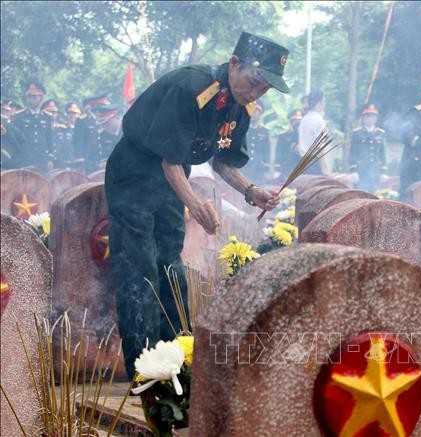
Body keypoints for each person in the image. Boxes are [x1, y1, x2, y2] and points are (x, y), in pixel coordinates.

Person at [105, 31, 288, 376]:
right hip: (134, 173)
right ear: (234, 63)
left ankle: (178, 364)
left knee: (171, 265)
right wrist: (197, 204)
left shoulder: (241, 107)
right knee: (139, 271)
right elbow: (168, 162)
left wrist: (252, 192)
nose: (256, 92)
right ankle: (144, 375)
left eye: (265, 88)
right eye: (253, 82)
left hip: (173, 177)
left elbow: (222, 161)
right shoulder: (192, 87)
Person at [12, 80, 53, 172]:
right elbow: (15, 140)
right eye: (29, 96)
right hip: (25, 160)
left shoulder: (47, 117)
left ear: (41, 98)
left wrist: (50, 159)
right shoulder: (18, 116)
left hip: (42, 161)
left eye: (34, 97)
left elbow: (49, 139)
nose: (31, 99)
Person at [349, 103, 386, 192]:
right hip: (361, 171)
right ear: (363, 118)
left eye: (372, 116)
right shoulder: (357, 133)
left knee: (375, 196)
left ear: (376, 118)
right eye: (367, 116)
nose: (370, 118)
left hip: (375, 172)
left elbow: (383, 153)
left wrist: (383, 172)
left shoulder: (381, 133)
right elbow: (353, 153)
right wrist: (354, 171)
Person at [74, 94, 109, 174]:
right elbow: (78, 141)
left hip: (103, 160)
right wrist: (80, 161)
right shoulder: (82, 121)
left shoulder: (103, 120)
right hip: (89, 161)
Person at [298, 89, 329, 174]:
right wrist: (324, 167)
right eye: (324, 101)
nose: (325, 104)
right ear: (319, 103)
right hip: (314, 163)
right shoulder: (319, 121)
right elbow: (319, 146)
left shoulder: (304, 119)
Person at [244, 100, 271, 183]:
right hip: (243, 166)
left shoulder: (265, 131)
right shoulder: (242, 128)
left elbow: (266, 151)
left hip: (258, 169)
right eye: (251, 110)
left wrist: (266, 168)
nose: (253, 113)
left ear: (260, 114)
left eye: (256, 111)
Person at [275, 109, 302, 176]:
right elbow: (279, 156)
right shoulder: (283, 136)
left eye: (299, 120)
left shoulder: (306, 135)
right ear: (291, 121)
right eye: (295, 120)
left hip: (303, 169)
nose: (297, 123)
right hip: (288, 170)